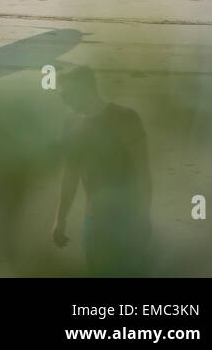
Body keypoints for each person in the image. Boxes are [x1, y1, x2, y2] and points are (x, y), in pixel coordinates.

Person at [52, 67, 152, 275]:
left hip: (128, 220)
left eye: (67, 94)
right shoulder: (71, 124)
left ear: (85, 88)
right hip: (94, 223)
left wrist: (143, 217)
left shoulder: (125, 117)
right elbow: (69, 176)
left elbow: (143, 172)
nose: (64, 100)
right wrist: (60, 219)